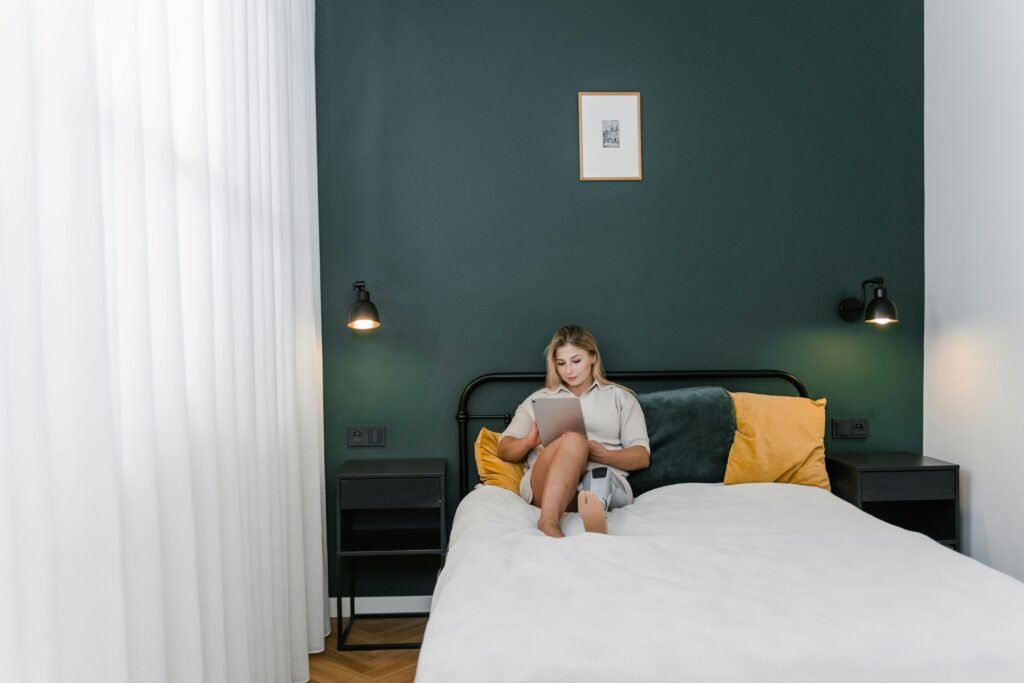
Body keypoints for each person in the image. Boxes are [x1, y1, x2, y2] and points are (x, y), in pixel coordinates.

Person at [497, 325, 650, 537]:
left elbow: (641, 457)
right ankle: (549, 521)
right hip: (546, 485)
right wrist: (528, 443)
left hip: (607, 481)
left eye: (576, 361)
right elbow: (503, 449)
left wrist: (603, 454)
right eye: (561, 364)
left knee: (600, 477)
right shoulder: (539, 400)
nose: (569, 370)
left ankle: (595, 502)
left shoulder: (620, 398)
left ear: (593, 358)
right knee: (574, 440)